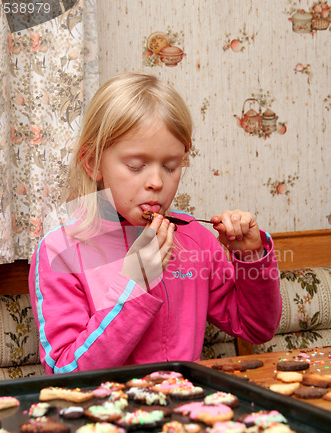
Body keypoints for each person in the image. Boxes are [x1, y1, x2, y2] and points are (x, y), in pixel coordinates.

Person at [28, 72, 282, 375]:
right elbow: (66, 372)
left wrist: (250, 255)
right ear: (93, 163)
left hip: (186, 414)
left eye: (171, 166)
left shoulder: (195, 239)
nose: (156, 182)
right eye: (136, 166)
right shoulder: (59, 252)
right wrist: (134, 285)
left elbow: (256, 328)